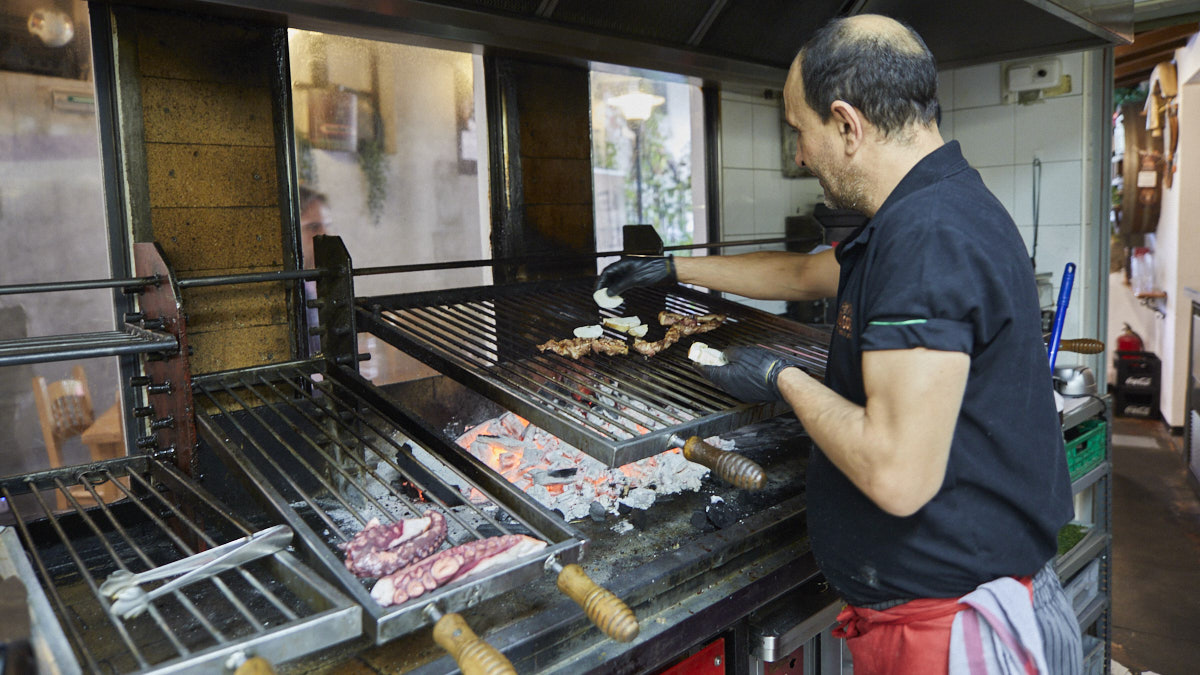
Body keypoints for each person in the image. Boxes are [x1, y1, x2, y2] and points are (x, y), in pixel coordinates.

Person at [597, 14, 1081, 675]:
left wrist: (780, 379)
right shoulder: (930, 207)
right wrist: (673, 268)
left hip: (948, 632)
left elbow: (897, 475)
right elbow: (801, 271)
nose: (799, 153)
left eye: (801, 130)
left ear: (849, 126)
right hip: (944, 602)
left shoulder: (924, 240)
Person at [299, 185, 330, 355]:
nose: (325, 234)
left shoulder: (321, 281)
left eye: (327, 225)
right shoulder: (286, 291)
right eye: (314, 227)